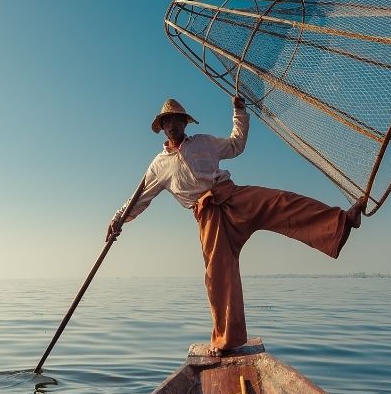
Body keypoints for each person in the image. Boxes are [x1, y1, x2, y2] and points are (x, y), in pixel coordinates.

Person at [107, 97, 366, 355]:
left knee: (281, 202)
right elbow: (139, 200)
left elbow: (236, 145)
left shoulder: (204, 143)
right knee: (218, 276)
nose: (172, 125)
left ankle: (342, 221)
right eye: (167, 121)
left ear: (185, 123)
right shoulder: (158, 166)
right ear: (162, 127)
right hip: (209, 216)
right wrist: (118, 219)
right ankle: (225, 341)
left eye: (177, 119)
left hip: (233, 195)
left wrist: (239, 112)